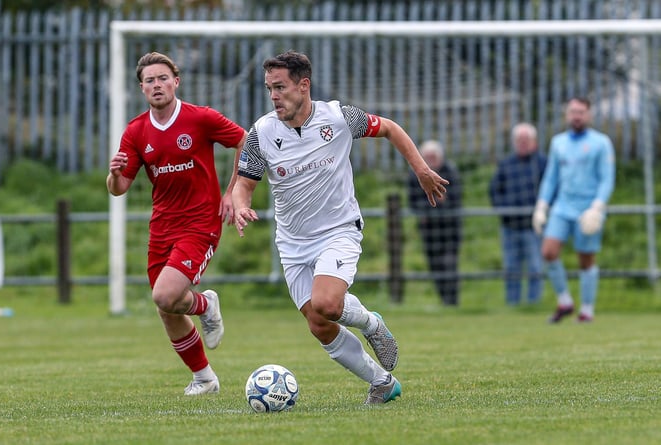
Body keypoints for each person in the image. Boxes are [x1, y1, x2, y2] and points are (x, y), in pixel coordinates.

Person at [232, 50, 448, 405]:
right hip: (292, 243)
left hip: (339, 230)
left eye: (281, 87)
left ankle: (371, 323)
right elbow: (244, 183)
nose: (274, 96)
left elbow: (390, 128)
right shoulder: (261, 133)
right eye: (269, 88)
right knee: (319, 324)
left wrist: (421, 170)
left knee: (328, 304)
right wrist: (242, 206)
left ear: (304, 86)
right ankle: (382, 383)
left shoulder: (340, 117)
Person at [106, 52, 248, 395]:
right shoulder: (136, 130)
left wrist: (233, 191)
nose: (157, 85)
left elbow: (245, 141)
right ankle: (204, 378)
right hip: (162, 226)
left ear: (176, 82)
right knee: (166, 307)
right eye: (150, 80)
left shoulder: (201, 118)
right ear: (141, 88)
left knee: (166, 295)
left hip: (200, 223)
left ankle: (205, 304)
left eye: (162, 78)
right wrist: (112, 174)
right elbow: (119, 188)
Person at [532, 97, 615, 323]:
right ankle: (565, 302)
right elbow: (551, 178)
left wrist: (598, 207)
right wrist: (541, 206)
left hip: (588, 209)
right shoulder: (558, 142)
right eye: (572, 112)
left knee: (585, 259)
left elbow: (607, 179)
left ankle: (587, 310)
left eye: (581, 112)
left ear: (589, 115)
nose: (576, 116)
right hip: (562, 206)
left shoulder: (601, 143)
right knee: (548, 252)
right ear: (567, 115)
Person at [489, 123, 547, 306]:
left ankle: (533, 304)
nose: (522, 143)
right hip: (510, 226)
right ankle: (512, 304)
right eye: (519, 140)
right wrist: (504, 209)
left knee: (535, 267)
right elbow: (494, 190)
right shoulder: (506, 164)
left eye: (526, 140)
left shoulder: (542, 163)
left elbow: (552, 188)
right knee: (511, 267)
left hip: (534, 226)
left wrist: (542, 211)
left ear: (534, 142)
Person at [407, 140, 462, 306]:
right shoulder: (415, 175)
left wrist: (437, 203)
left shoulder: (450, 172)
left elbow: (456, 198)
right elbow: (413, 201)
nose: (431, 160)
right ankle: (444, 300)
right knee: (434, 265)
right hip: (429, 230)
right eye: (427, 157)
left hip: (450, 228)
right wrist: (434, 204)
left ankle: (452, 301)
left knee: (450, 264)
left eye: (433, 157)